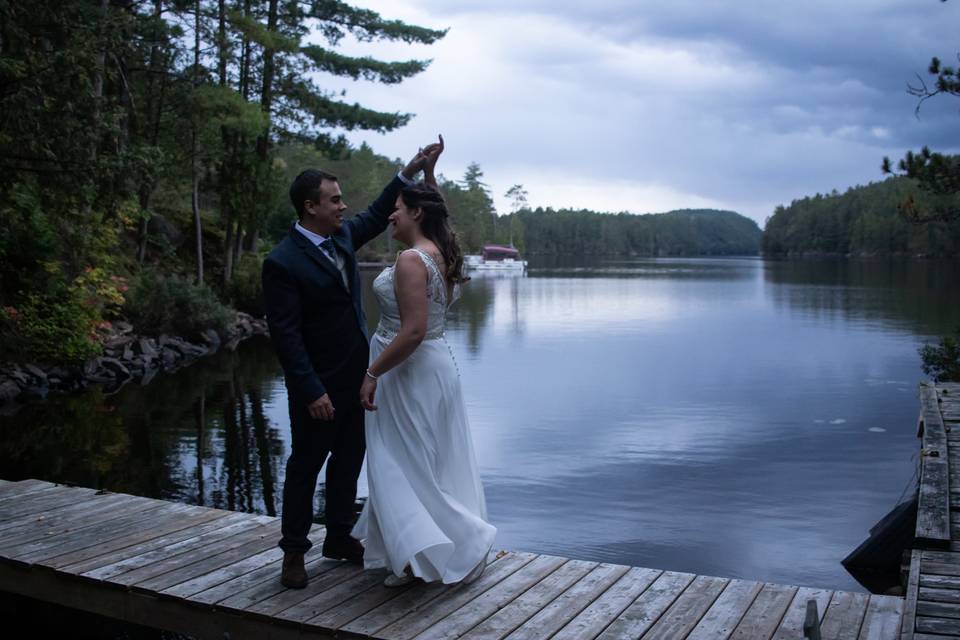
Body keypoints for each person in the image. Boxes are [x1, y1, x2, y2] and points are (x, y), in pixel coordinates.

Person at [262, 142, 440, 589]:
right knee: (306, 465)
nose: (344, 206)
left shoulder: (341, 236)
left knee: (348, 461)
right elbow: (287, 335)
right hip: (318, 386)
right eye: (335, 200)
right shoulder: (281, 263)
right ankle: (294, 554)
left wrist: (409, 172)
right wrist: (310, 390)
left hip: (357, 377)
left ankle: (339, 536)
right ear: (310, 207)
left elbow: (380, 210)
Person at [353, 137, 497, 586]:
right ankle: (417, 557)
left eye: (397, 207)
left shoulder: (414, 260)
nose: (390, 215)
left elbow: (412, 330)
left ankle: (453, 544)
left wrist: (372, 372)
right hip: (432, 367)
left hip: (407, 370)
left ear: (416, 213)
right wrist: (426, 172)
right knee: (423, 463)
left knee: (403, 463)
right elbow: (439, 211)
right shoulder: (441, 248)